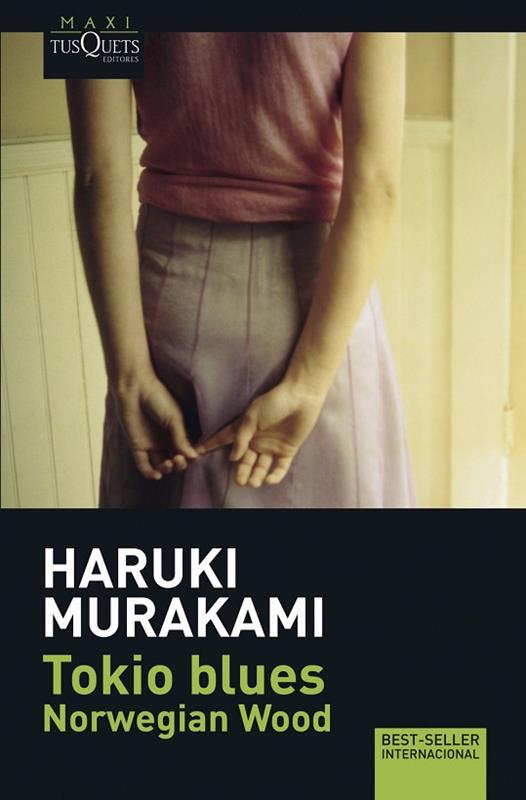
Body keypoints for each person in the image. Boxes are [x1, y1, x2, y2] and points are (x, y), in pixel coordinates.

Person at [66, 31, 415, 508]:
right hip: (320, 310)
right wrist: (309, 383)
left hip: (165, 306)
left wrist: (128, 375)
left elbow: (95, 175)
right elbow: (377, 185)